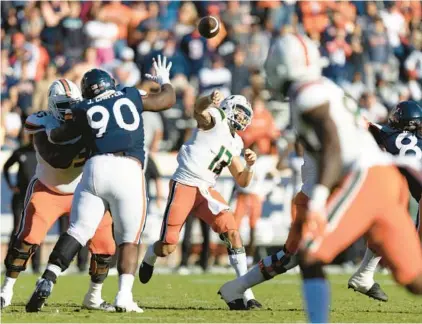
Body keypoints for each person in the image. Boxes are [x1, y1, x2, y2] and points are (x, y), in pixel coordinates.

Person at [218, 33, 422, 321]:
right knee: (414, 280)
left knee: (310, 254)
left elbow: (332, 144)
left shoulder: (307, 92)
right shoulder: (323, 89)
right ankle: (236, 288)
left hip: (359, 178)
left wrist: (321, 198)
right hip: (380, 180)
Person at [26, 55, 176, 313]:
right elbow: (166, 100)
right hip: (128, 167)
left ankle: (48, 277)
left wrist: (50, 127)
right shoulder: (127, 95)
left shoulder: (82, 108)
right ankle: (123, 296)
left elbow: (60, 135)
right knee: (129, 237)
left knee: (78, 229)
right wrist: (165, 81)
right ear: (111, 84)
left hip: (95, 168)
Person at [139, 92, 262, 310]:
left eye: (246, 115)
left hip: (206, 190)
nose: (242, 118)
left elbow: (242, 179)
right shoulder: (216, 118)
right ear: (228, 107)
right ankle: (150, 253)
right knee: (168, 247)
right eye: (240, 112)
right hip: (185, 184)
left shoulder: (237, 142)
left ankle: (245, 291)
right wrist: (208, 99)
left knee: (232, 232)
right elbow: (198, 110)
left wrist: (250, 165)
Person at [1, 79, 116, 312]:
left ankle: (93, 297)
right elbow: (56, 158)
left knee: (105, 247)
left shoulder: (89, 118)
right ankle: (6, 291)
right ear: (53, 104)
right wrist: (85, 136)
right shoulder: (41, 122)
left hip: (85, 192)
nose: (69, 109)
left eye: (73, 104)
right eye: (64, 104)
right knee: (26, 240)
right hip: (48, 189)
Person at [348, 100, 422, 301]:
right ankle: (364, 275)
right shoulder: (412, 140)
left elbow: (359, 121)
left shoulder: (385, 133)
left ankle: (364, 275)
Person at [2, 131, 40, 275]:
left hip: (36, 197)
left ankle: (36, 266)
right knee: (17, 229)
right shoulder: (20, 152)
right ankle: (9, 262)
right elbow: (6, 167)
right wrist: (11, 185)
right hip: (20, 197)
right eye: (33, 138)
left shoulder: (43, 154)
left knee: (36, 229)